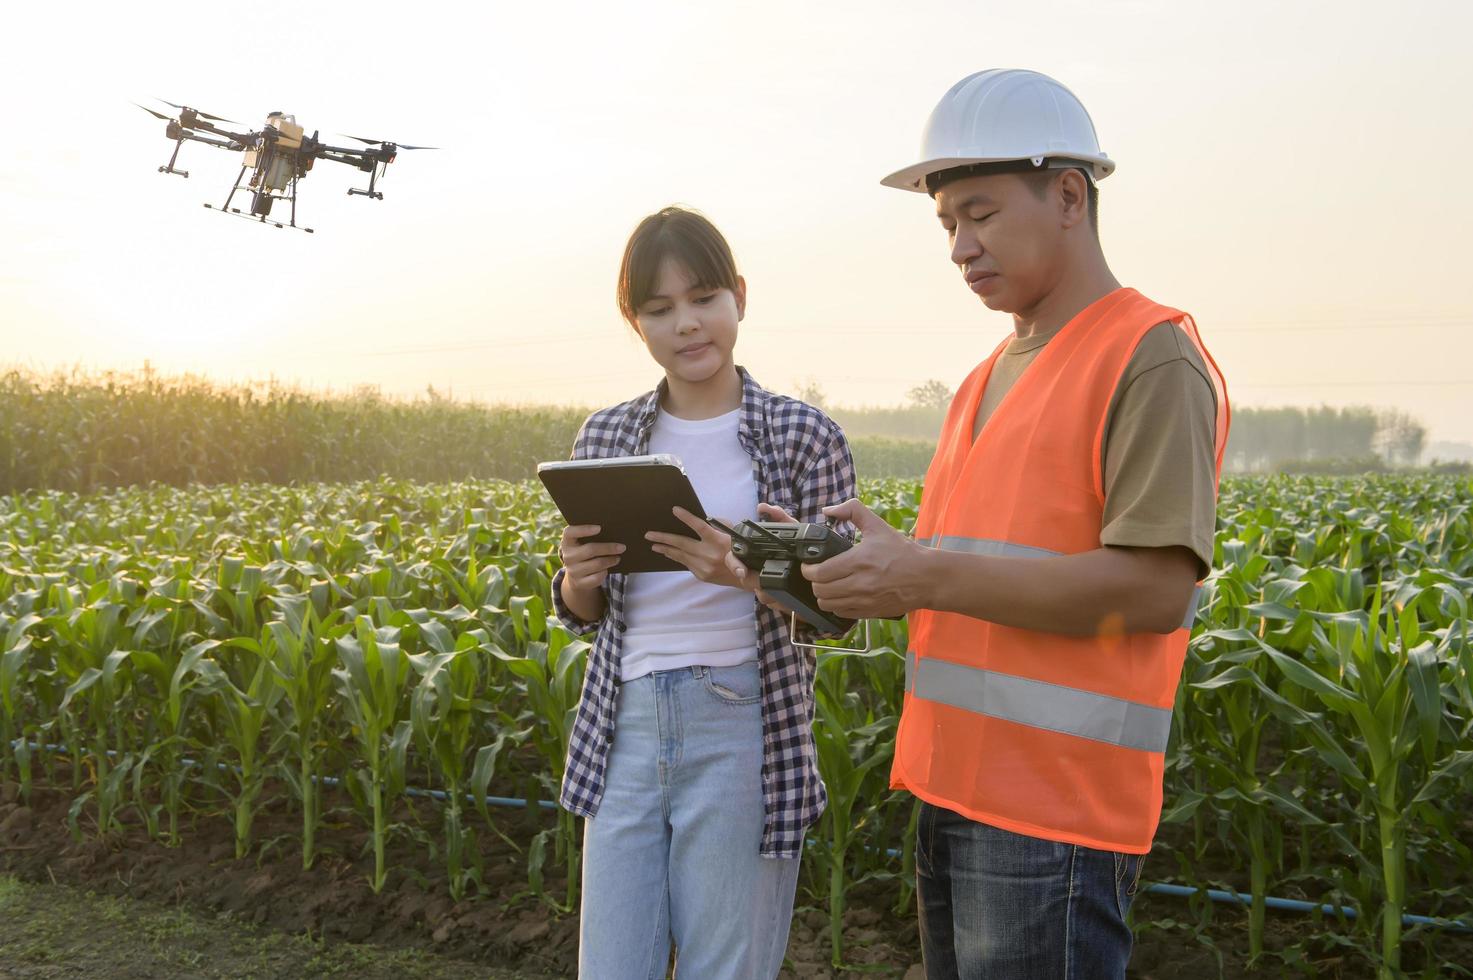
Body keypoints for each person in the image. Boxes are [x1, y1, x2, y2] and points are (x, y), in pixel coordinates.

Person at [772, 69, 1231, 978]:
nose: (958, 248)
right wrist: (825, 576)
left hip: (1053, 819)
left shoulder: (1150, 355)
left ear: (1067, 196)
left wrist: (924, 575)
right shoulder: (985, 377)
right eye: (945, 224)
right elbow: (959, 575)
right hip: (951, 790)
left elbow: (1151, 591)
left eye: (978, 213)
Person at [551, 206, 857, 979]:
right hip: (623, 722)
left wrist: (742, 575)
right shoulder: (607, 437)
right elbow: (589, 615)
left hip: (741, 720)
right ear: (636, 323)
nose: (686, 325)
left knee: (722, 968)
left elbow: (838, 609)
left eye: (703, 299)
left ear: (739, 299)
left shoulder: (802, 435)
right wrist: (576, 581)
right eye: (659, 310)